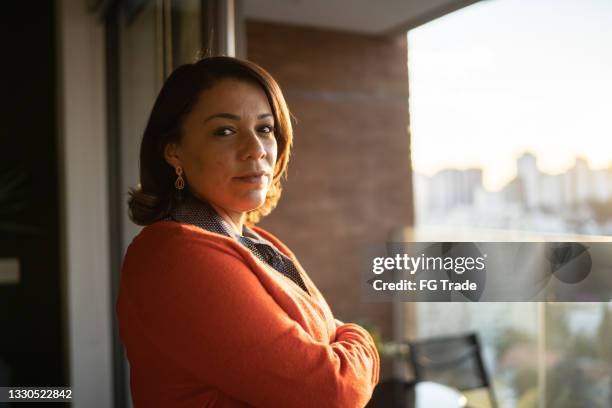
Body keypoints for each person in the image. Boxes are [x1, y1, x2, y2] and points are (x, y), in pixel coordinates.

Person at [116, 56, 380, 407]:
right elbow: (332, 393)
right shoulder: (175, 255)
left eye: (265, 128)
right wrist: (362, 340)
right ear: (173, 151)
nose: (255, 149)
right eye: (225, 131)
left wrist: (340, 346)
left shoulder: (259, 242)